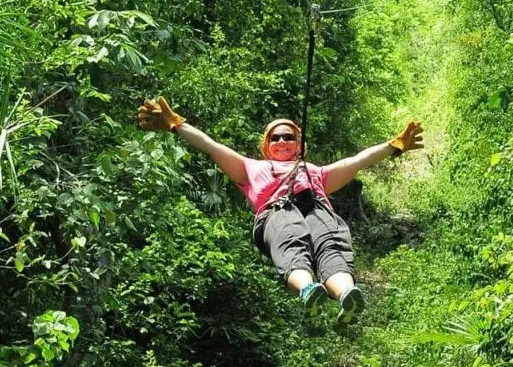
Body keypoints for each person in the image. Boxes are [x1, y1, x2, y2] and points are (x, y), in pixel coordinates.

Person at [137, 97, 424, 322]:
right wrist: (176, 124)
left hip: (317, 207)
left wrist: (395, 145)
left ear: (299, 145)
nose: (282, 141)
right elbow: (211, 146)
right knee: (291, 238)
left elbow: (357, 161)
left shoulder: (316, 172)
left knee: (332, 245)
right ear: (266, 146)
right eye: (275, 138)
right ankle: (308, 288)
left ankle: (346, 293)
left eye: (288, 137)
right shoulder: (252, 168)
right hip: (277, 210)